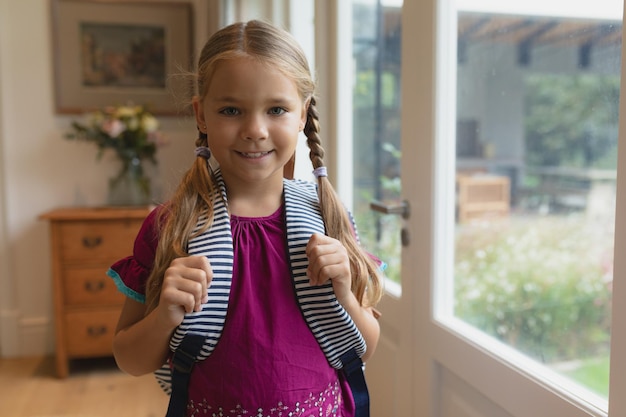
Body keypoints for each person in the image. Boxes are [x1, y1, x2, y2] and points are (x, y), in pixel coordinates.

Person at [108, 19, 384, 417]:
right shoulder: (171, 227)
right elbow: (130, 359)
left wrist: (344, 292)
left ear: (302, 115)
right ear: (201, 115)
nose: (255, 130)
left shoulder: (328, 218)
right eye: (231, 109)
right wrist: (166, 313)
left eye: (276, 109)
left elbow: (366, 347)